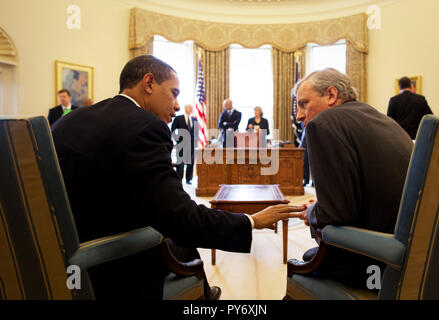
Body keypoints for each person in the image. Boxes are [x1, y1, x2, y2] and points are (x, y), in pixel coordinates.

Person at [51, 55, 304, 300]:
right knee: (179, 241)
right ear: (149, 83)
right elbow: (182, 219)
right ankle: (203, 297)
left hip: (61, 260)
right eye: (174, 93)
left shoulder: (66, 122)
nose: (175, 106)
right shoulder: (145, 127)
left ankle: (205, 293)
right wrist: (251, 221)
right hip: (112, 268)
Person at [294, 68, 413, 287]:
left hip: (375, 264)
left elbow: (336, 216)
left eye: (304, 104)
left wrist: (313, 212)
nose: (299, 115)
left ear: (331, 95)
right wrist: (323, 205)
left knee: (301, 265)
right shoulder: (384, 121)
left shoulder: (323, 124)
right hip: (410, 257)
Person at [171, 104, 198, 184]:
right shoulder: (178, 118)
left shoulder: (194, 120)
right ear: (185, 108)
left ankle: (188, 179)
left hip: (192, 144)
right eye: (188, 108)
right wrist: (176, 140)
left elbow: (196, 132)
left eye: (191, 108)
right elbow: (173, 129)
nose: (190, 109)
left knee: (190, 162)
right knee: (181, 162)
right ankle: (179, 179)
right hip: (181, 144)